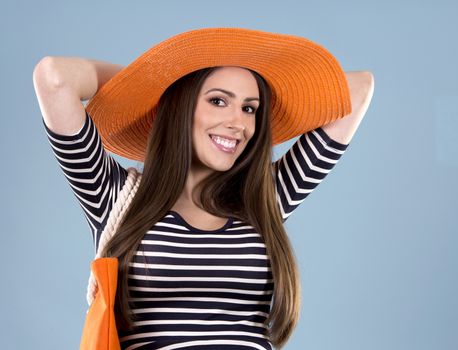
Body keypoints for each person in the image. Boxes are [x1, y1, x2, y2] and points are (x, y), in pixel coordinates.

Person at [33, 27, 374, 350]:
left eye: (249, 108)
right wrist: (155, 83)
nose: (237, 122)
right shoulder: (113, 196)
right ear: (181, 104)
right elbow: (54, 77)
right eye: (218, 101)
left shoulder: (264, 197)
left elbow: (358, 89)